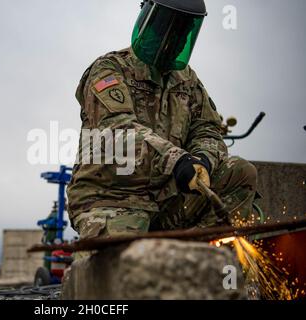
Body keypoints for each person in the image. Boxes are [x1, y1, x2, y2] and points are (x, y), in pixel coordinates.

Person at [67, 0, 258, 240]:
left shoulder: (187, 81)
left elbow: (207, 130)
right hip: (111, 197)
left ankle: (190, 255)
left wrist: (202, 160)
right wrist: (177, 160)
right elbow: (117, 129)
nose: (172, 38)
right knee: (125, 266)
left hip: (167, 198)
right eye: (167, 27)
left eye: (181, 31)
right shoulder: (109, 69)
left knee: (240, 172)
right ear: (149, 21)